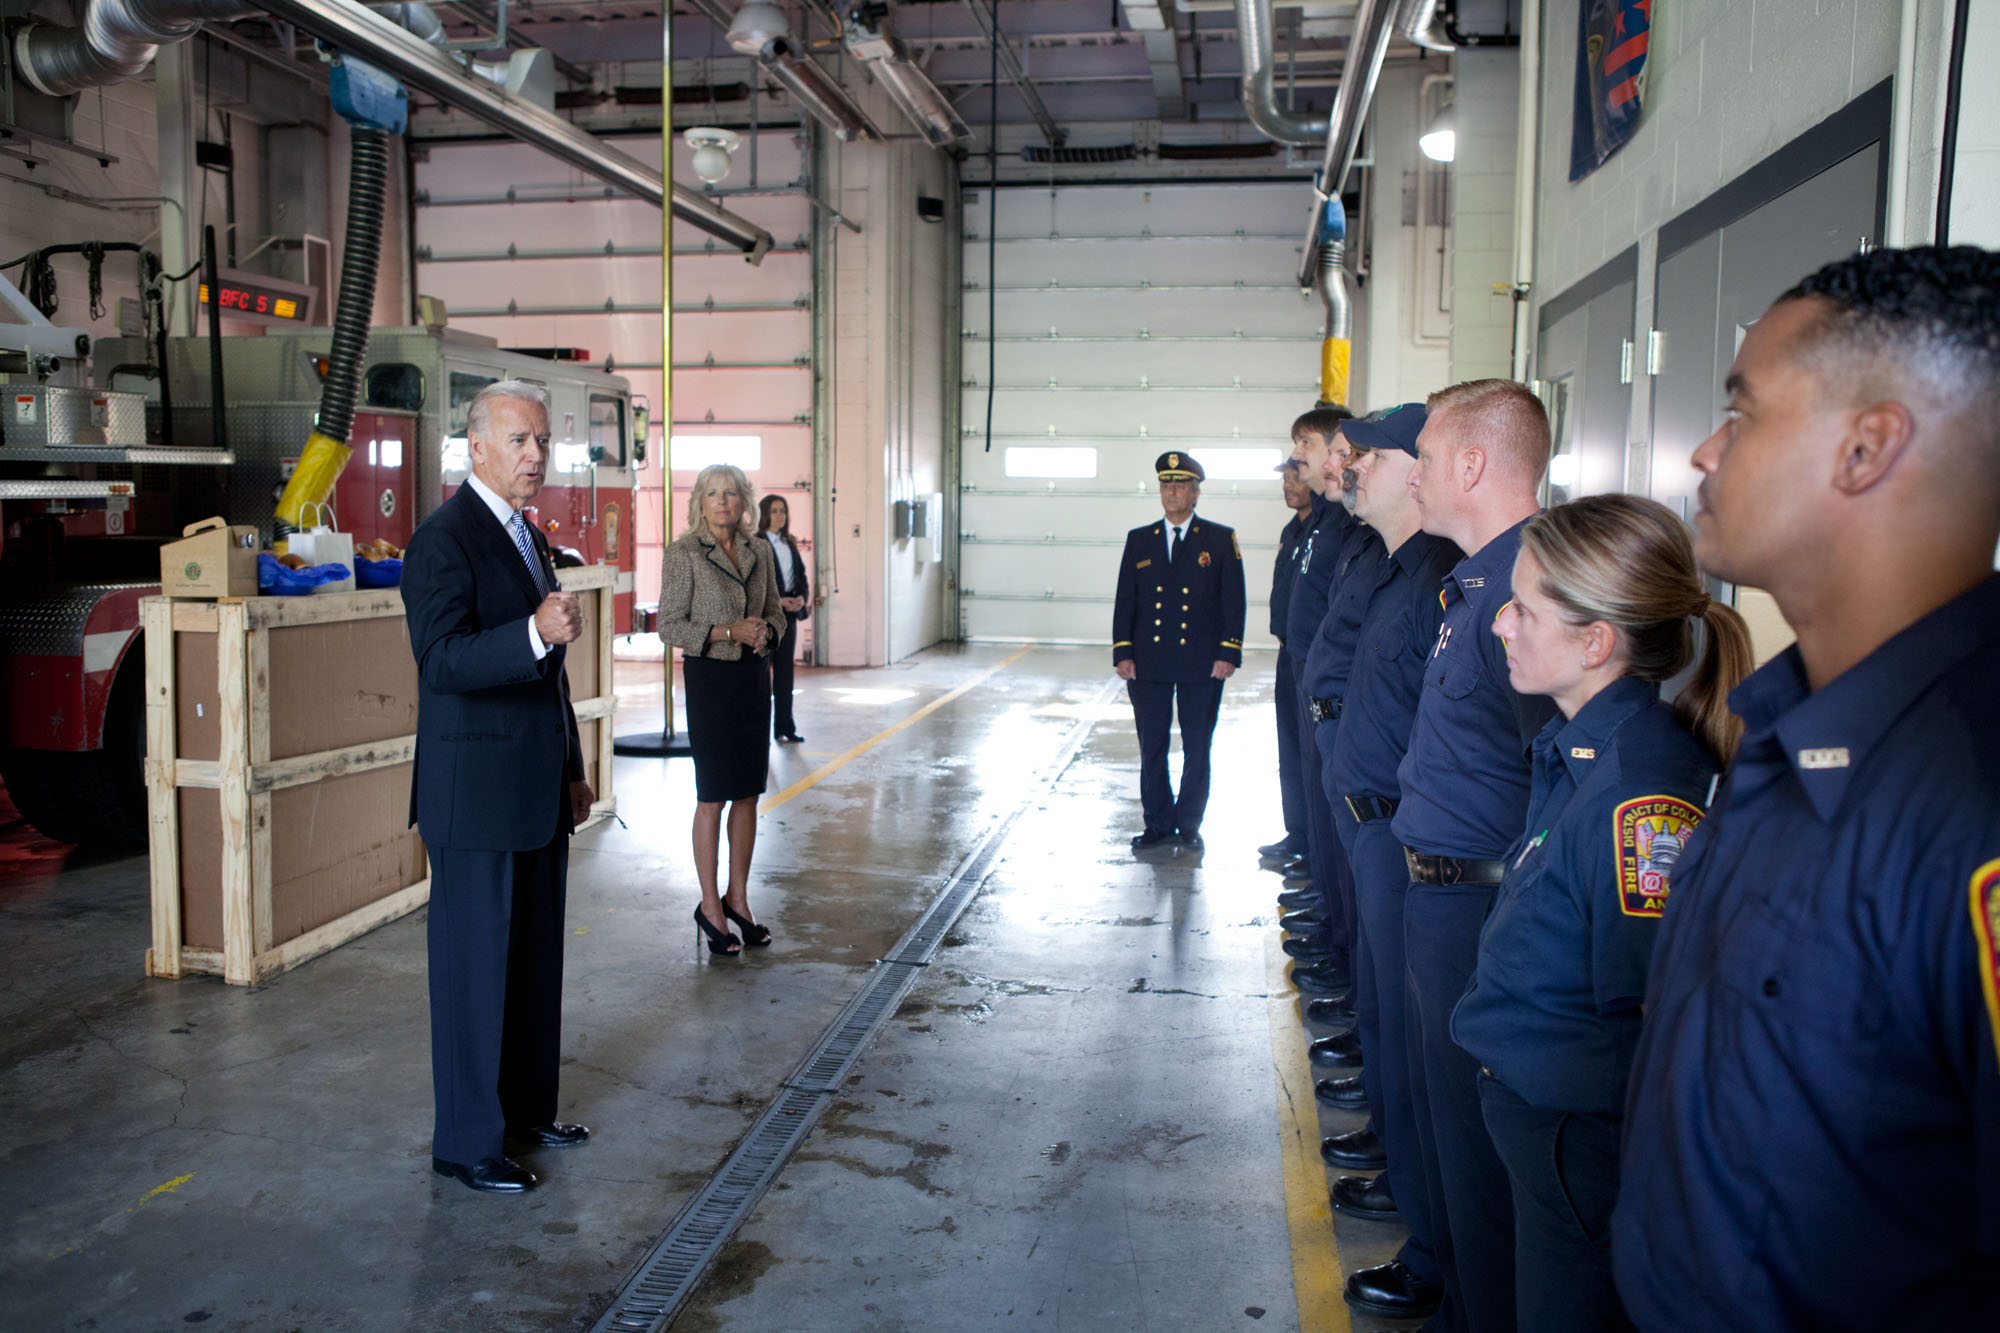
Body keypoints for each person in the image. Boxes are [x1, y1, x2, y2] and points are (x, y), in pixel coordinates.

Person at [1612, 245, 2000, 1330]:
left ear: (1865, 448)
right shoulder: (1787, 734)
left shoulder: (1967, 796)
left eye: (1740, 412)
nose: (1701, 449)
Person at [1450, 494, 1751, 1333]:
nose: (1501, 625)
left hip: (1578, 1143)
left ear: (1596, 641)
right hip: (1541, 1128)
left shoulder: (1639, 795)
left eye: (1523, 609)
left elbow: (1648, 1015)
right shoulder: (1579, 750)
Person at [1391, 378, 1560, 1333]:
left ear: (1471, 464)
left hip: (1483, 909)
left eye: (1425, 458)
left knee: (1484, 1157)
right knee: (1453, 1137)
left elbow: (1558, 777)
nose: (1415, 478)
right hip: (1443, 895)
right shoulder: (1475, 584)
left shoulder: (1527, 591)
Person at [402, 380, 594, 1195]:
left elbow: (546, 675)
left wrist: (575, 770)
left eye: (543, 441)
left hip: (534, 787)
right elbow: (442, 660)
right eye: (519, 440)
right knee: (475, 972)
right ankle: (467, 1142)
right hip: (474, 794)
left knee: (532, 963)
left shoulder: (528, 537)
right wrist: (531, 630)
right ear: (475, 446)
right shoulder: (443, 540)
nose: (536, 456)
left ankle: (524, 1111)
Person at [1318, 403, 1460, 1322]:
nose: (1350, 468)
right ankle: (1412, 1195)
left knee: (1424, 1056)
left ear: (1419, 470)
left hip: (1416, 846)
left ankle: (1434, 1243)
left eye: (1369, 455)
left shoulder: (1449, 584)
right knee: (1391, 1030)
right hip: (1373, 826)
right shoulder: (1399, 568)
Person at [658, 464, 787, 957]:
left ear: (743, 501)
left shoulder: (760, 550)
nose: (722, 502)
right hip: (710, 679)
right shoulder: (683, 553)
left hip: (753, 678)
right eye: (713, 494)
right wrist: (728, 632)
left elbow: (775, 610)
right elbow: (670, 625)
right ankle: (710, 906)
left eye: (731, 494)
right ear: (700, 501)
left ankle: (739, 898)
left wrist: (767, 633)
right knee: (712, 795)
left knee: (749, 793)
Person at [1111, 451, 1246, 852]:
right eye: (1166, 485)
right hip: (1149, 661)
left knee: (1196, 744)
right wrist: (1123, 652)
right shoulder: (1140, 540)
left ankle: (1188, 823)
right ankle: (1157, 822)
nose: (1171, 491)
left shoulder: (1220, 539)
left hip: (1202, 661)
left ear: (1196, 492)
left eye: (1180, 484)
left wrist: (1228, 652)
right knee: (1151, 745)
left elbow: (1233, 601)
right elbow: (1125, 601)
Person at [1284, 406, 1364, 998]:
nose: (1305, 458)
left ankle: (1342, 947)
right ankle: (1331, 917)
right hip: (1311, 669)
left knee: (1339, 816)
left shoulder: (1346, 527)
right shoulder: (1320, 524)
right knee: (1318, 797)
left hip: (1335, 686)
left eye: (1309, 444)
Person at [1262, 458, 1315, 861]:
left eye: (1295, 473)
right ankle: (1296, 832)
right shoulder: (1291, 530)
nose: (1288, 482)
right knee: (1289, 749)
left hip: (1310, 657)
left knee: (1309, 753)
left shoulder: (1323, 531)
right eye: (1284, 475)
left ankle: (1313, 844)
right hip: (1287, 651)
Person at [757, 494, 810, 744]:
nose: (780, 515)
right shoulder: (756, 543)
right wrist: (777, 602)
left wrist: (801, 598)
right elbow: (755, 585)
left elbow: (801, 576)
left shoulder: (789, 543)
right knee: (760, 678)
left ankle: (784, 727)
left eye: (783, 511)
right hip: (766, 619)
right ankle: (760, 732)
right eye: (775, 511)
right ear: (765, 514)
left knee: (785, 675)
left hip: (788, 617)